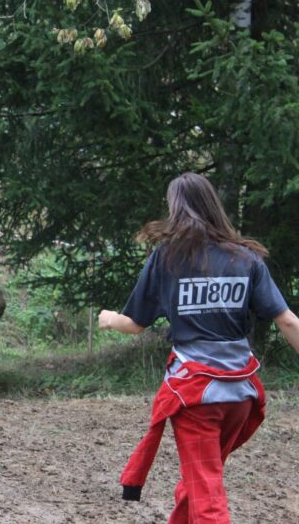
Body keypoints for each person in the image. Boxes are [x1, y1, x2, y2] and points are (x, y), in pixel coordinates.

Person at [98, 172, 299, 523]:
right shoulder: (247, 258)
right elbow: (288, 322)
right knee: (201, 481)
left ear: (176, 208)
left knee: (205, 488)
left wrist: (109, 318)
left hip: (196, 397)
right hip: (240, 396)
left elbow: (134, 324)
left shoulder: (167, 258)